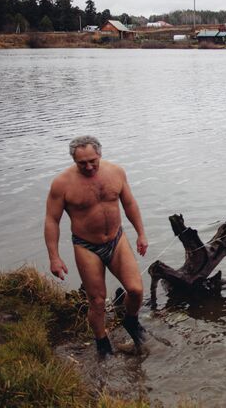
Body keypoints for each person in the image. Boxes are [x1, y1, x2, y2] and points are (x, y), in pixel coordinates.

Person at [44, 136, 148, 356]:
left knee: (136, 290)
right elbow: (52, 220)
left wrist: (141, 234)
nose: (89, 167)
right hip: (86, 246)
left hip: (116, 239)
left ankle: (130, 321)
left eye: (93, 161)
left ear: (99, 154)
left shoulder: (116, 172)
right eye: (82, 163)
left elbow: (129, 203)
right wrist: (54, 257)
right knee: (97, 300)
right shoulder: (61, 183)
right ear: (74, 159)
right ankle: (102, 344)